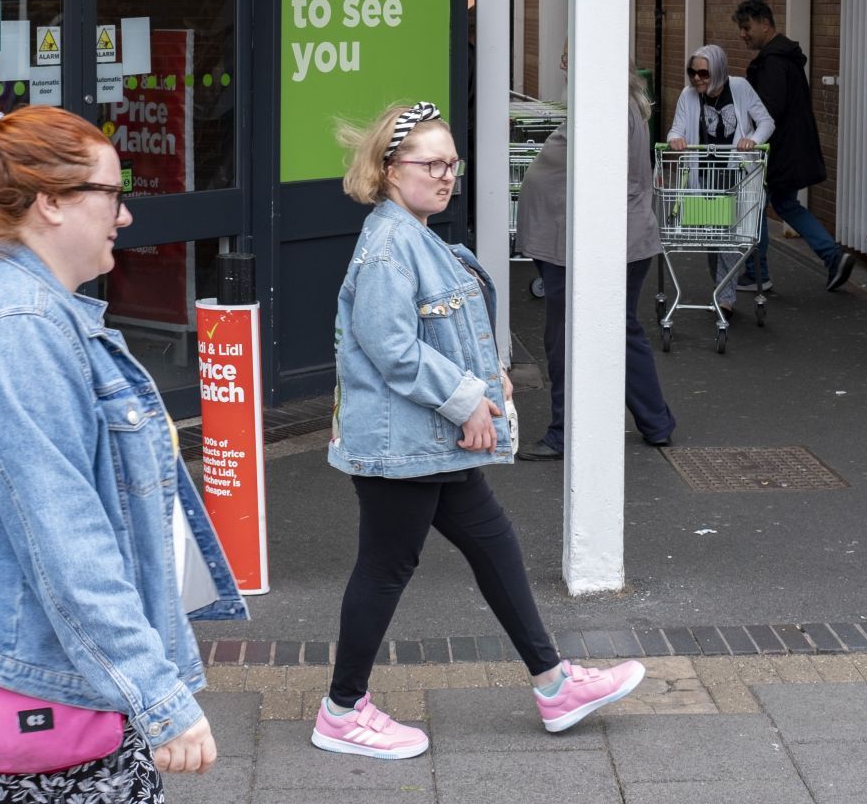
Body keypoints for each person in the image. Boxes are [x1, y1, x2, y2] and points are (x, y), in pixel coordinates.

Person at [0, 102, 246, 802]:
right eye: (112, 195)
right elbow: (64, 536)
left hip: (59, 667)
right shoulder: (18, 326)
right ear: (52, 203)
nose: (123, 216)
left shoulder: (25, 310)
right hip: (50, 674)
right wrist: (159, 697)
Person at [315, 101, 646, 759]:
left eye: (451, 164)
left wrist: (485, 387)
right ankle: (342, 709)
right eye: (430, 163)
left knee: (493, 544)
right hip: (400, 445)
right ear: (387, 170)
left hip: (425, 440)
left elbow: (436, 334)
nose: (445, 175)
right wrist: (467, 398)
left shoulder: (416, 233)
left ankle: (553, 683)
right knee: (386, 566)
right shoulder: (389, 246)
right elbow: (393, 348)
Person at [515, 69, 677, 461]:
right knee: (617, 329)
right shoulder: (623, 105)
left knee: (566, 335)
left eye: (571, 59)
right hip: (602, 237)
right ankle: (656, 422)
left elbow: (597, 180)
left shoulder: (604, 108)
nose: (567, 68)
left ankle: (564, 431)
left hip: (588, 241)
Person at [733, 0, 857, 294]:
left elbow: (767, 110)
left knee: (755, 206)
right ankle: (832, 256)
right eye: (740, 28)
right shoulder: (785, 58)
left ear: (765, 23)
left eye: (746, 27)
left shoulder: (772, 63)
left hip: (775, 151)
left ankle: (756, 273)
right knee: (785, 203)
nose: (743, 34)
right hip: (791, 148)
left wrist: (748, 134)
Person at [666, 45, 774, 317]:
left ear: (718, 71)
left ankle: (725, 297)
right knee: (713, 238)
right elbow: (676, 129)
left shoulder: (739, 88)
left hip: (735, 175)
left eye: (703, 72)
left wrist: (754, 140)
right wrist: (675, 140)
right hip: (704, 176)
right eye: (692, 72)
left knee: (729, 238)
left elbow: (766, 122)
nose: (696, 78)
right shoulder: (688, 96)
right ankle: (722, 289)